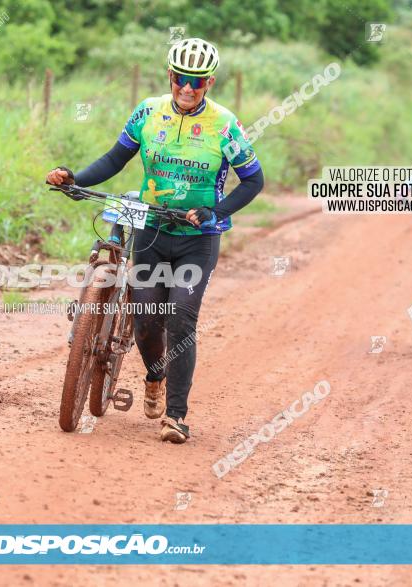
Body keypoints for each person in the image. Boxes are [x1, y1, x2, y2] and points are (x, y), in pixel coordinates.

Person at [46, 38, 264, 444]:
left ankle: (177, 416)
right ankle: (155, 374)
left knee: (181, 316)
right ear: (170, 76)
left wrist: (219, 211)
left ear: (210, 83)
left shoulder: (225, 124)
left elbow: (254, 179)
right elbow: (115, 159)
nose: (187, 88)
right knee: (146, 319)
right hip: (150, 230)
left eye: (197, 82)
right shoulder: (147, 112)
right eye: (181, 78)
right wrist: (75, 178)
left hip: (197, 239)